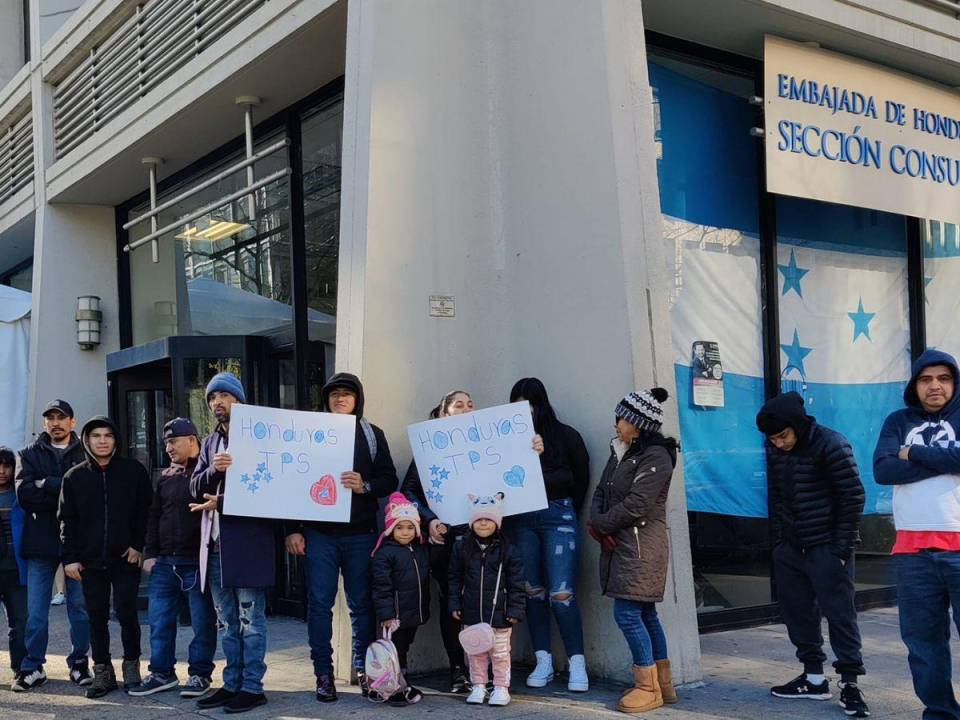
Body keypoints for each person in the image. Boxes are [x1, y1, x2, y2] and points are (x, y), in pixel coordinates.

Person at [284, 372, 398, 704]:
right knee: (319, 605)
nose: (340, 399)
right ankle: (323, 674)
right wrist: (293, 527)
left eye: (347, 394)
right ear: (326, 399)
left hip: (361, 534)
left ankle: (364, 670)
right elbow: (292, 479)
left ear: (357, 399)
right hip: (319, 535)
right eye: (334, 394)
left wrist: (366, 485)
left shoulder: (371, 435)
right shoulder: (309, 433)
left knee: (361, 606)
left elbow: (389, 478)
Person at [757, 391, 869, 717]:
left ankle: (850, 685)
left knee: (840, 616)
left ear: (797, 425)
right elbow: (777, 496)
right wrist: (779, 542)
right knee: (797, 613)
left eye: (783, 436)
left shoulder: (831, 444)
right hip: (791, 548)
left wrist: (841, 549)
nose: (778, 443)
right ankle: (814, 679)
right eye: (772, 439)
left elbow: (853, 497)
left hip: (827, 548)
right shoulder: (775, 449)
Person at [874, 349, 960, 720]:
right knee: (923, 644)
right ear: (915, 385)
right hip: (912, 552)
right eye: (926, 379)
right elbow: (883, 470)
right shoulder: (897, 420)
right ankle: (940, 714)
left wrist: (913, 452)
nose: (935, 386)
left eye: (943, 378)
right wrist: (947, 459)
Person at [190, 372, 276, 714]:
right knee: (226, 621)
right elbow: (194, 487)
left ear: (240, 401)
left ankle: (253, 687)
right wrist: (214, 470)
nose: (217, 403)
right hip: (214, 546)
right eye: (213, 398)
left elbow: (271, 491)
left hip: (249, 543)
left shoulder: (261, 438)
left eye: (225, 396)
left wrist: (221, 501)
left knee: (250, 621)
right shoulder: (210, 443)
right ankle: (231, 684)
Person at [590, 388, 678, 714]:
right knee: (644, 614)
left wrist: (602, 525)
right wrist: (597, 520)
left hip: (641, 547)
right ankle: (662, 686)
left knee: (627, 614)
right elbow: (602, 490)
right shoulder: (621, 452)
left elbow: (638, 503)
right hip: (623, 544)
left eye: (621, 419)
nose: (616, 425)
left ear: (638, 424)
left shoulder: (656, 457)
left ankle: (647, 686)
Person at [59, 416, 152, 699]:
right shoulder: (74, 476)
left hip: (125, 558)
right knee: (96, 617)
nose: (102, 440)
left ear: (116, 440)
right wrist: (70, 558)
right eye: (96, 436)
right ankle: (102, 672)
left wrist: (138, 545)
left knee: (126, 613)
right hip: (89, 561)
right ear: (87, 441)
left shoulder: (133, 471)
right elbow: (66, 521)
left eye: (108, 435)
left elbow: (145, 511)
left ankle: (132, 667)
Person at [507, 378, 590, 692]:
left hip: (558, 516)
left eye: (529, 402)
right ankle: (543, 658)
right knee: (532, 591)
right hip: (520, 519)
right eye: (516, 402)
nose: (524, 409)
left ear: (540, 403)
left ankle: (576, 662)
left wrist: (570, 512)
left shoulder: (565, 436)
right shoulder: (506, 440)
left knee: (562, 594)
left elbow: (578, 477)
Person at [129, 418, 217, 699]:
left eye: (173, 441)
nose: (168, 447)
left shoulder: (208, 473)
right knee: (159, 621)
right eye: (166, 442)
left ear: (192, 440)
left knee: (202, 622)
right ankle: (161, 673)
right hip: (165, 562)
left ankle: (200, 674)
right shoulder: (165, 476)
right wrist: (151, 553)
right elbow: (154, 516)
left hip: (196, 560)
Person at [399, 389, 474, 692]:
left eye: (471, 404)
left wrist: (532, 448)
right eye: (459, 404)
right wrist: (430, 520)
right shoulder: (429, 450)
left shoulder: (488, 446)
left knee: (477, 605)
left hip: (478, 538)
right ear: (445, 413)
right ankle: (457, 671)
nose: (467, 408)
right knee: (449, 604)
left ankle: (480, 671)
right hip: (444, 540)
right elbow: (407, 492)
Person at [14, 399, 91, 691]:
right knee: (36, 612)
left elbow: (87, 493)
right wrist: (62, 488)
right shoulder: (29, 454)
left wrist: (45, 483)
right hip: (40, 544)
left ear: (72, 421)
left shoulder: (85, 451)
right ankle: (33, 666)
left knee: (80, 608)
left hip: (77, 544)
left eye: (61, 417)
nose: (55, 423)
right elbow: (25, 496)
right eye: (50, 418)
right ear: (45, 423)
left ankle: (79, 663)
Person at [448, 492, 525, 707]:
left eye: (489, 519)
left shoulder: (508, 550)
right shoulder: (461, 547)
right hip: (471, 611)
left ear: (497, 523)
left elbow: (517, 582)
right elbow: (454, 577)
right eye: (479, 519)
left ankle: (501, 687)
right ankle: (478, 685)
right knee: (475, 653)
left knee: (500, 653)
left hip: (500, 613)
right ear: (471, 523)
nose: (483, 523)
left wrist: (515, 609)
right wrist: (454, 602)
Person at [370, 492, 430, 706]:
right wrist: (387, 614)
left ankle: (402, 683)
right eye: (400, 527)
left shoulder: (420, 549)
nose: (405, 532)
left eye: (410, 527)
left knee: (403, 649)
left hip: (412, 612)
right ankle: (393, 688)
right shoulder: (385, 554)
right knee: (393, 651)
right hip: (394, 615)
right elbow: (381, 587)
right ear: (390, 529)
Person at [0, 447, 27, 679]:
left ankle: (21, 667)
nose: (2, 471)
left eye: (6, 466)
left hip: (17, 569)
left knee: (20, 623)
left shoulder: (21, 495)